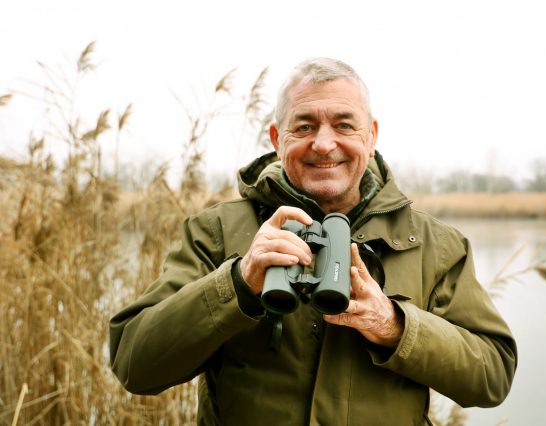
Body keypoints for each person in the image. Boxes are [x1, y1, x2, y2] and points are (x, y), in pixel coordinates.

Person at [109, 58, 517, 425]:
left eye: (344, 124)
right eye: (304, 126)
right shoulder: (215, 231)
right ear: (276, 138)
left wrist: (394, 326)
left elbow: (492, 376)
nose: (323, 144)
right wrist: (236, 283)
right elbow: (135, 365)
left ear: (371, 135)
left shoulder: (432, 244)